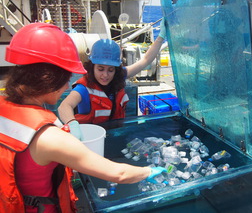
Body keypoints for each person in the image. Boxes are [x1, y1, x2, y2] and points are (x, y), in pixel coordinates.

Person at [0, 23, 166, 213]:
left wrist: (160, 37)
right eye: (66, 78)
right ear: (51, 80)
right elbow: (118, 173)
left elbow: (145, 60)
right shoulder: (50, 138)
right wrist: (149, 171)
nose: (66, 87)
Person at [58, 20, 167, 140]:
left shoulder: (119, 76)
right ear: (92, 67)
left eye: (110, 70)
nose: (105, 75)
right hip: (92, 139)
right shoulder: (83, 88)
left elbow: (145, 60)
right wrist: (73, 125)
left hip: (117, 135)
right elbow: (64, 106)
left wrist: (160, 37)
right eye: (100, 69)